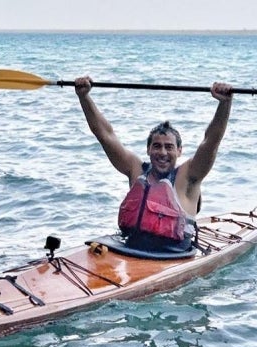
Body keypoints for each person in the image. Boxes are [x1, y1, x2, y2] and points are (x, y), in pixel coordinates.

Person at [75, 76, 233, 253]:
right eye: (157, 146)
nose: (163, 153)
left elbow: (211, 141)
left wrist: (224, 104)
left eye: (169, 147)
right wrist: (84, 97)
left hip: (172, 255)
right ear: (148, 149)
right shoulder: (135, 169)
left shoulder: (189, 176)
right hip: (130, 250)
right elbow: (105, 135)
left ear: (179, 151)